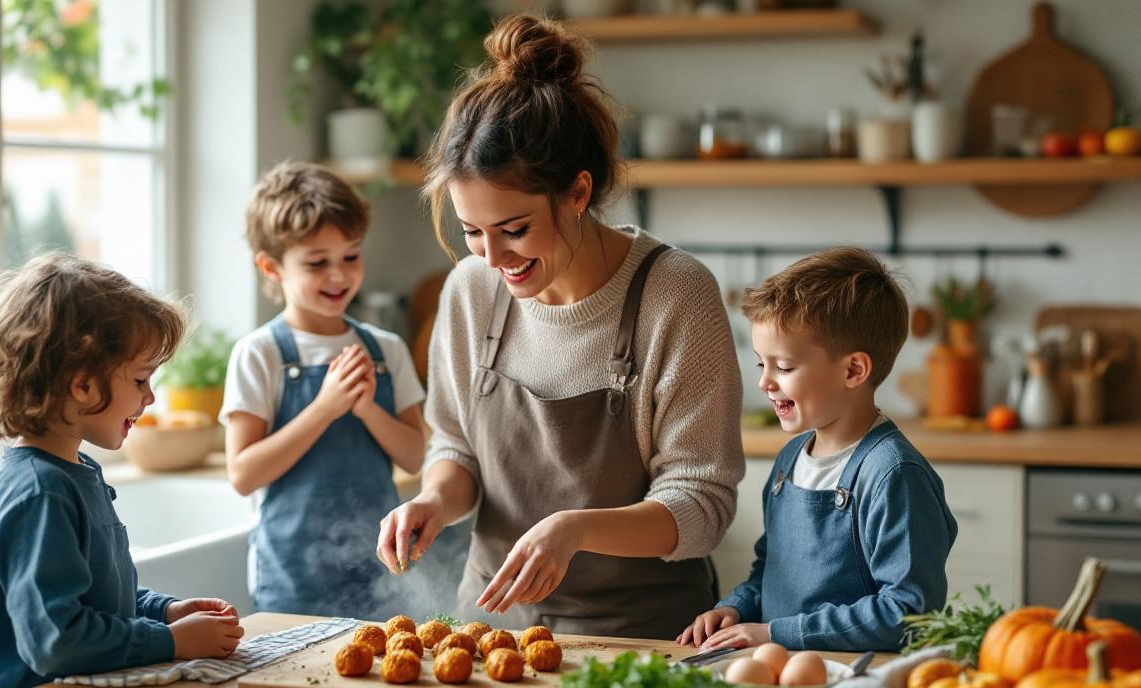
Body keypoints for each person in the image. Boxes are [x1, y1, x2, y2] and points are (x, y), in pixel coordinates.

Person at [374, 14, 745, 640]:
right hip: (493, 636)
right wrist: (435, 500)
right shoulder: (473, 290)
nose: (492, 259)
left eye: (514, 229)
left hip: (645, 643)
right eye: (471, 233)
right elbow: (456, 447)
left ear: (578, 193)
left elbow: (703, 505)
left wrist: (575, 529)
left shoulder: (675, 295)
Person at [0, 254, 244, 688]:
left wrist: (163, 611)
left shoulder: (75, 471)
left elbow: (97, 600)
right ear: (83, 383)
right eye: (139, 379)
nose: (151, 397)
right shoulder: (40, 491)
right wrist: (170, 642)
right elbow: (58, 640)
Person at [678, 247, 958, 652]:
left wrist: (776, 633)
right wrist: (736, 607)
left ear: (853, 371)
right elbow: (770, 570)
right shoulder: (789, 461)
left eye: (784, 367)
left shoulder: (893, 475)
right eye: (762, 365)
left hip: (856, 681)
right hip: (786, 670)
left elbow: (908, 613)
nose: (765, 383)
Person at [222, 161, 435, 618]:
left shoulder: (387, 350)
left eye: (351, 256)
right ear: (271, 266)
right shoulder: (260, 354)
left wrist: (366, 409)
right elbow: (243, 473)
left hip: (381, 576)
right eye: (317, 263)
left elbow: (417, 457)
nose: (339, 276)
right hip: (292, 581)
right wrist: (325, 407)